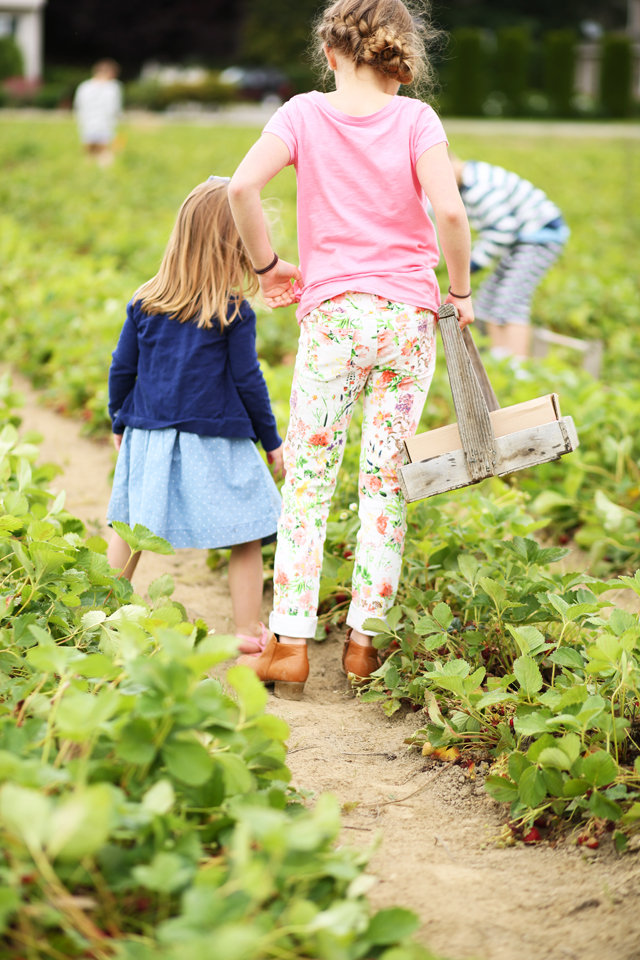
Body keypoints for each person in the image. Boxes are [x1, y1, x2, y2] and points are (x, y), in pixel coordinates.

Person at [228, 0, 473, 700]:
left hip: (335, 316)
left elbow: (243, 186)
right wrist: (458, 291)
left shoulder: (303, 114)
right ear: (398, 59)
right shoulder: (417, 120)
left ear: (331, 54)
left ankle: (291, 642)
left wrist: (270, 265)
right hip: (406, 318)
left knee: (308, 476)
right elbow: (450, 212)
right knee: (385, 477)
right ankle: (366, 639)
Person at [106, 178, 285, 654]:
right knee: (246, 532)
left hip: (149, 431)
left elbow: (123, 367)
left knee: (131, 526)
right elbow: (249, 381)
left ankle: (103, 610)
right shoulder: (232, 311)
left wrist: (118, 419)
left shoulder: (146, 301)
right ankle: (247, 630)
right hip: (217, 437)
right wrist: (271, 441)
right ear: (236, 244)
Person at [449, 153, 570, 359]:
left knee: (511, 299)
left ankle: (517, 365)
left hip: (539, 236)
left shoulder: (479, 187)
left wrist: (472, 265)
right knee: (488, 298)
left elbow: (502, 229)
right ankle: (501, 358)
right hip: (519, 240)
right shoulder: (467, 179)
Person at [73, 59, 123, 166]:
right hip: (105, 125)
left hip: (86, 125)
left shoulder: (84, 86)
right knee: (105, 155)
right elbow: (114, 109)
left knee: (89, 155)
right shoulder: (113, 88)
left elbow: (78, 106)